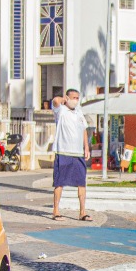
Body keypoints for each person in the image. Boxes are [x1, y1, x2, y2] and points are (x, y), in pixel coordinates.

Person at [51, 89, 92, 221]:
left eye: (77, 98)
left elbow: (84, 129)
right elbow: (55, 101)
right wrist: (63, 100)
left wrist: (86, 147)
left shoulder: (79, 112)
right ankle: (56, 211)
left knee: (81, 182)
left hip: (78, 153)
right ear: (67, 98)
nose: (76, 100)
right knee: (59, 182)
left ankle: (82, 212)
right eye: (73, 98)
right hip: (63, 152)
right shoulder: (61, 111)